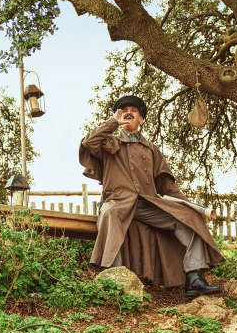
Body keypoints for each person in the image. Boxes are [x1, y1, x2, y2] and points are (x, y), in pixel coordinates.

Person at [79, 95, 225, 296]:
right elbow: (89, 142)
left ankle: (194, 277)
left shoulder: (152, 149)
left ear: (141, 119)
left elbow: (167, 186)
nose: (128, 112)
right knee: (109, 213)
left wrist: (189, 206)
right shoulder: (108, 142)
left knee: (189, 218)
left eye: (134, 110)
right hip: (118, 202)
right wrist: (113, 122)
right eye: (123, 110)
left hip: (147, 204)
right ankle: (112, 275)